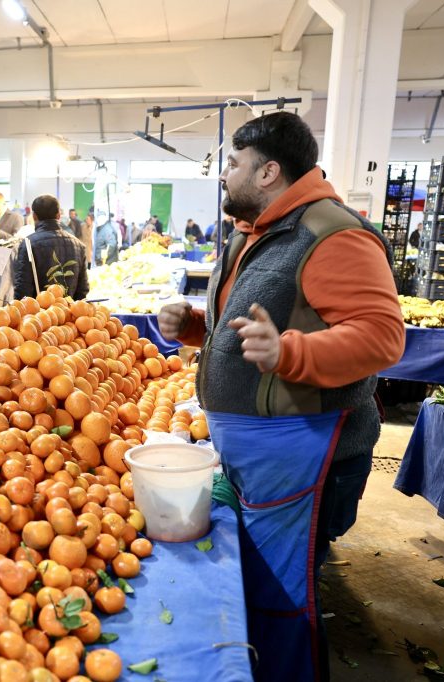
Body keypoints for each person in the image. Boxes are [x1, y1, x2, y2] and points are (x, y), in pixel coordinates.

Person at [158, 111, 404, 682]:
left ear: (269, 171)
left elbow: (383, 336)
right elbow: (254, 325)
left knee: (284, 596)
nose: (225, 175)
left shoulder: (332, 233)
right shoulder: (259, 231)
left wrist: (289, 352)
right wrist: (196, 326)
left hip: (304, 452)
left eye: (235, 164)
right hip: (259, 452)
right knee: (261, 587)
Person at [12, 194, 89, 301]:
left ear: (34, 216)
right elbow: (83, 289)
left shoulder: (28, 244)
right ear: (58, 216)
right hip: (70, 314)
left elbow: (23, 289)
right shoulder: (78, 245)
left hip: (38, 316)